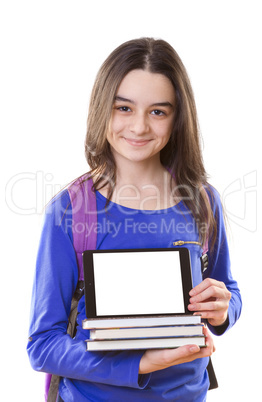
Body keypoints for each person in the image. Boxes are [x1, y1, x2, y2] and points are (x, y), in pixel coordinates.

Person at [27, 37, 242, 402]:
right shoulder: (69, 211)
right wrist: (141, 363)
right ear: (102, 108)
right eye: (123, 108)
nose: (139, 127)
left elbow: (228, 292)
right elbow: (43, 346)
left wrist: (223, 309)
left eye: (158, 111)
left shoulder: (203, 201)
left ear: (178, 118)